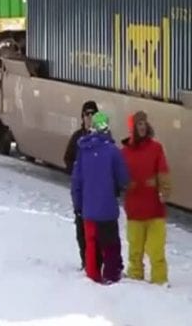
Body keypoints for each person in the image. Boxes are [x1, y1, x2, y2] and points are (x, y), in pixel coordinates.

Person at [72, 111, 130, 284]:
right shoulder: (112, 151)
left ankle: (93, 276)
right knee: (110, 246)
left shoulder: (83, 151)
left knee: (91, 245)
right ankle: (111, 276)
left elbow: (77, 181)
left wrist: (78, 205)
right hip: (107, 209)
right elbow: (123, 179)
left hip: (88, 210)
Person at [121, 111, 171, 285]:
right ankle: (135, 278)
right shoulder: (124, 153)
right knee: (135, 251)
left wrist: (164, 190)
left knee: (156, 250)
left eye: (143, 123)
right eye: (138, 124)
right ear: (132, 128)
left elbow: (163, 171)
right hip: (134, 210)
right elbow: (119, 177)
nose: (142, 127)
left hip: (155, 209)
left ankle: (160, 280)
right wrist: (126, 185)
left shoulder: (156, 148)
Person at [63, 100, 100, 270]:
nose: (89, 117)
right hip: (82, 192)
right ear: (82, 117)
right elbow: (68, 159)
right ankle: (86, 261)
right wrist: (78, 174)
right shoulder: (77, 138)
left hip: (98, 193)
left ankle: (98, 261)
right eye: (87, 114)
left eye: (93, 114)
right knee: (82, 228)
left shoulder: (103, 138)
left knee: (99, 229)